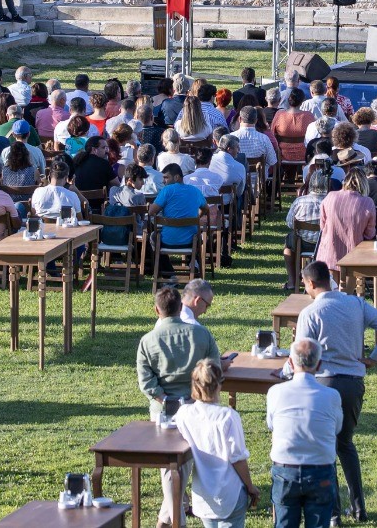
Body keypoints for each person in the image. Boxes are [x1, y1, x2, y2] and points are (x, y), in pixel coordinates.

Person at [294, 260, 377, 523]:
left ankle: (334, 513)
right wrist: (374, 357)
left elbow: (302, 354)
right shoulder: (356, 303)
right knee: (345, 445)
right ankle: (359, 507)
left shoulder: (311, 312)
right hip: (353, 384)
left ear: (311, 283)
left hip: (324, 384)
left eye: (305, 285)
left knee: (326, 447)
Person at [137, 287, 222, 524]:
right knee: (181, 465)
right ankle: (173, 517)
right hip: (197, 407)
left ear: (157, 310)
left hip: (163, 411)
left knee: (171, 465)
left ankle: (172, 518)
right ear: (180, 307)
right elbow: (214, 369)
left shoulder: (147, 341)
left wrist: (164, 399)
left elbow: (146, 382)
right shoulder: (202, 334)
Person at [266, 337, 343, 528]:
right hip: (320, 469)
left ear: (290, 363)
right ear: (319, 365)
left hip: (286, 469)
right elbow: (337, 428)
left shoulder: (275, 392)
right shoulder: (332, 396)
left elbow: (271, 424)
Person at [174, 359, 260, 528]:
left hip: (204, 497)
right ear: (219, 385)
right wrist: (251, 487)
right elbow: (237, 458)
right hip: (230, 494)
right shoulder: (227, 416)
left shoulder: (183, 413)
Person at [314, 168, 377, 274]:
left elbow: (322, 226)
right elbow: (370, 234)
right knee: (347, 289)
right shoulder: (367, 202)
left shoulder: (330, 196)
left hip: (329, 252)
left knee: (332, 289)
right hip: (354, 255)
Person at [147, 164, 207, 253]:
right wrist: (197, 217)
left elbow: (151, 212)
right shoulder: (195, 191)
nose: (163, 181)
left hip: (167, 240)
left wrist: (150, 205)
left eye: (166, 178)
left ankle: (163, 266)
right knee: (198, 237)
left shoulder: (167, 190)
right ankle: (193, 262)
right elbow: (206, 209)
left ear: (176, 177)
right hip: (191, 241)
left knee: (153, 236)